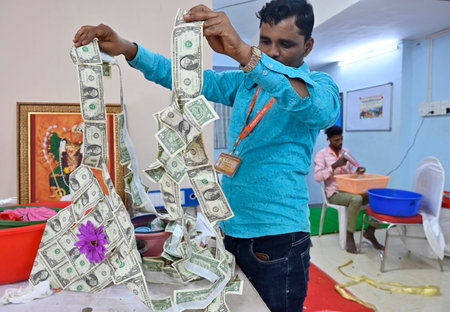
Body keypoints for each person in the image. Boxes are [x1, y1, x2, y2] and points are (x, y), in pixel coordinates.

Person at [73, 1, 340, 310]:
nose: (273, 52)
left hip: (279, 238)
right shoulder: (246, 83)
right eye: (265, 41)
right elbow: (184, 80)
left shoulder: (320, 86)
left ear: (308, 46)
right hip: (231, 228)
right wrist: (128, 49)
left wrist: (244, 53)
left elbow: (315, 108)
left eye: (286, 44)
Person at [313, 125, 383, 253]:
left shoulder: (346, 152)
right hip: (334, 193)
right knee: (356, 199)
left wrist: (358, 172)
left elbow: (352, 174)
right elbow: (317, 177)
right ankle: (349, 236)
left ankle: (371, 231)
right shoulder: (322, 154)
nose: (339, 143)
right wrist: (334, 166)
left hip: (349, 190)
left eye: (341, 139)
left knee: (376, 197)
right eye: (336, 140)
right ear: (328, 139)